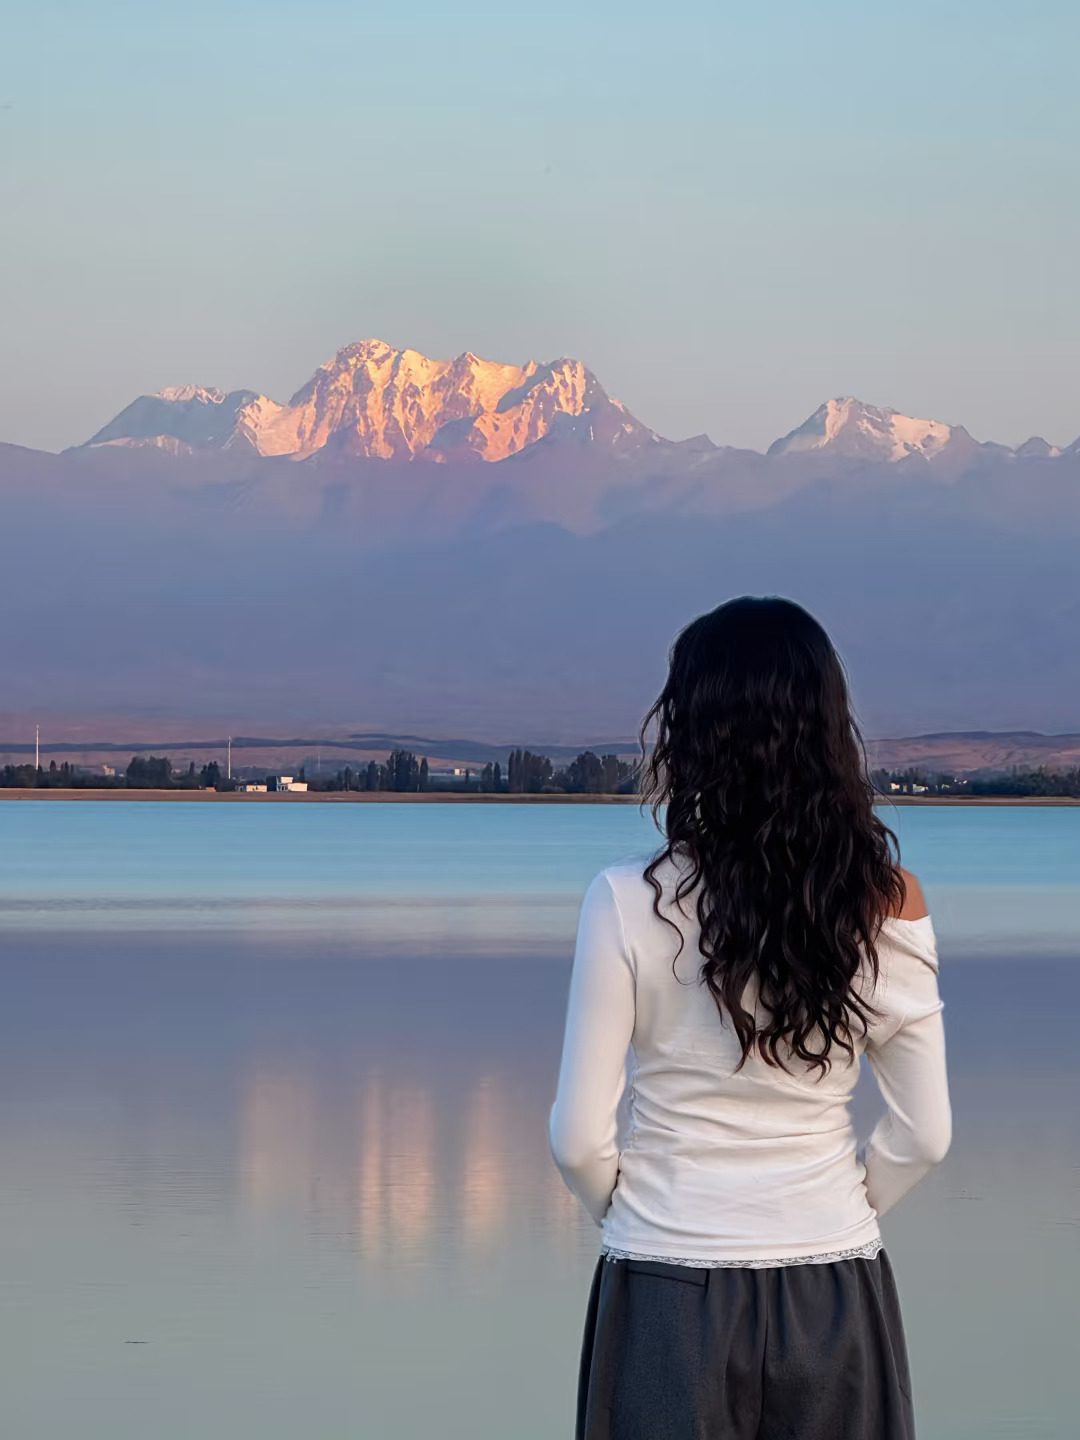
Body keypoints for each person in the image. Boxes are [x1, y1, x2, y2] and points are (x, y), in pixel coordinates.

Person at [549, 596, 951, 1440]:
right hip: (834, 1286)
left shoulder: (626, 900)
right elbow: (925, 1136)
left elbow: (580, 1139)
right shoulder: (888, 903)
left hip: (665, 1284)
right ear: (829, 728)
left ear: (690, 731)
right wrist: (833, 1207)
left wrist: (644, 1214)